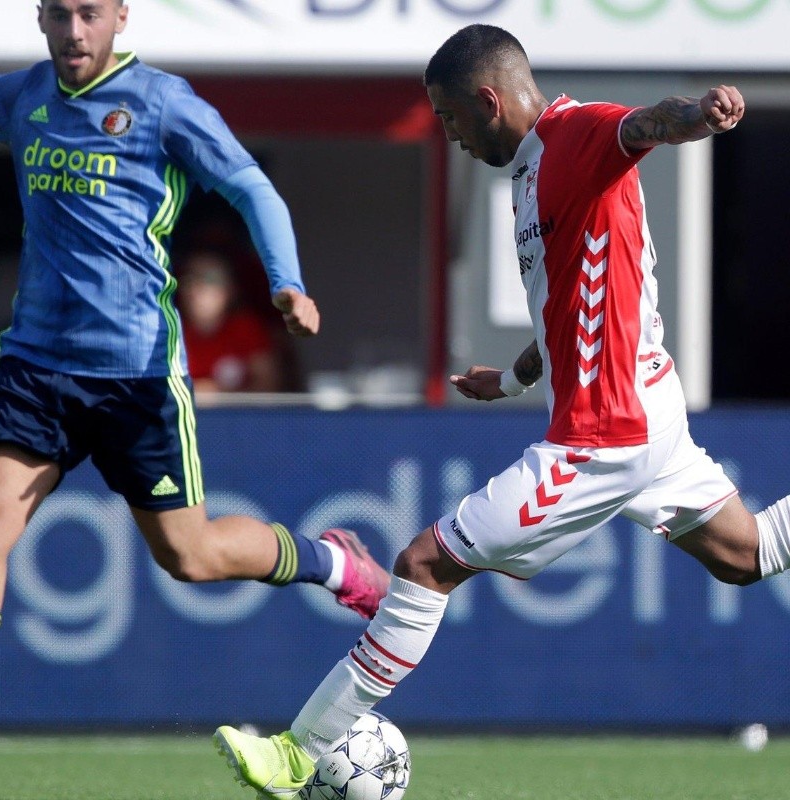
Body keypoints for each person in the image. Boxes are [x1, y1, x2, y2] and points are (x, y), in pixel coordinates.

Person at [211, 23, 790, 796]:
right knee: (745, 555)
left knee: (423, 564)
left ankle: (298, 750)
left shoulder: (573, 136)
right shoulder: (528, 177)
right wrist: (514, 379)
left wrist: (701, 114)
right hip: (646, 414)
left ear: (488, 99)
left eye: (449, 116)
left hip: (606, 433)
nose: (447, 135)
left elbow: (645, 125)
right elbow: (569, 308)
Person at [0, 0, 390, 651]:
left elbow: (252, 189)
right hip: (36, 370)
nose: (73, 32)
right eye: (60, 15)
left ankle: (333, 562)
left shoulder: (162, 103)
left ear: (121, 16)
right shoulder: (24, 94)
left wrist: (287, 282)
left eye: (89, 14)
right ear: (39, 18)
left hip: (138, 376)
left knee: (192, 558)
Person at [178, 249, 284, 394]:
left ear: (230, 289)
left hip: (241, 415)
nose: (197, 289)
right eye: (190, 279)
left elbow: (268, 386)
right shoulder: (171, 332)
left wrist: (218, 393)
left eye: (209, 279)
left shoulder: (246, 329)